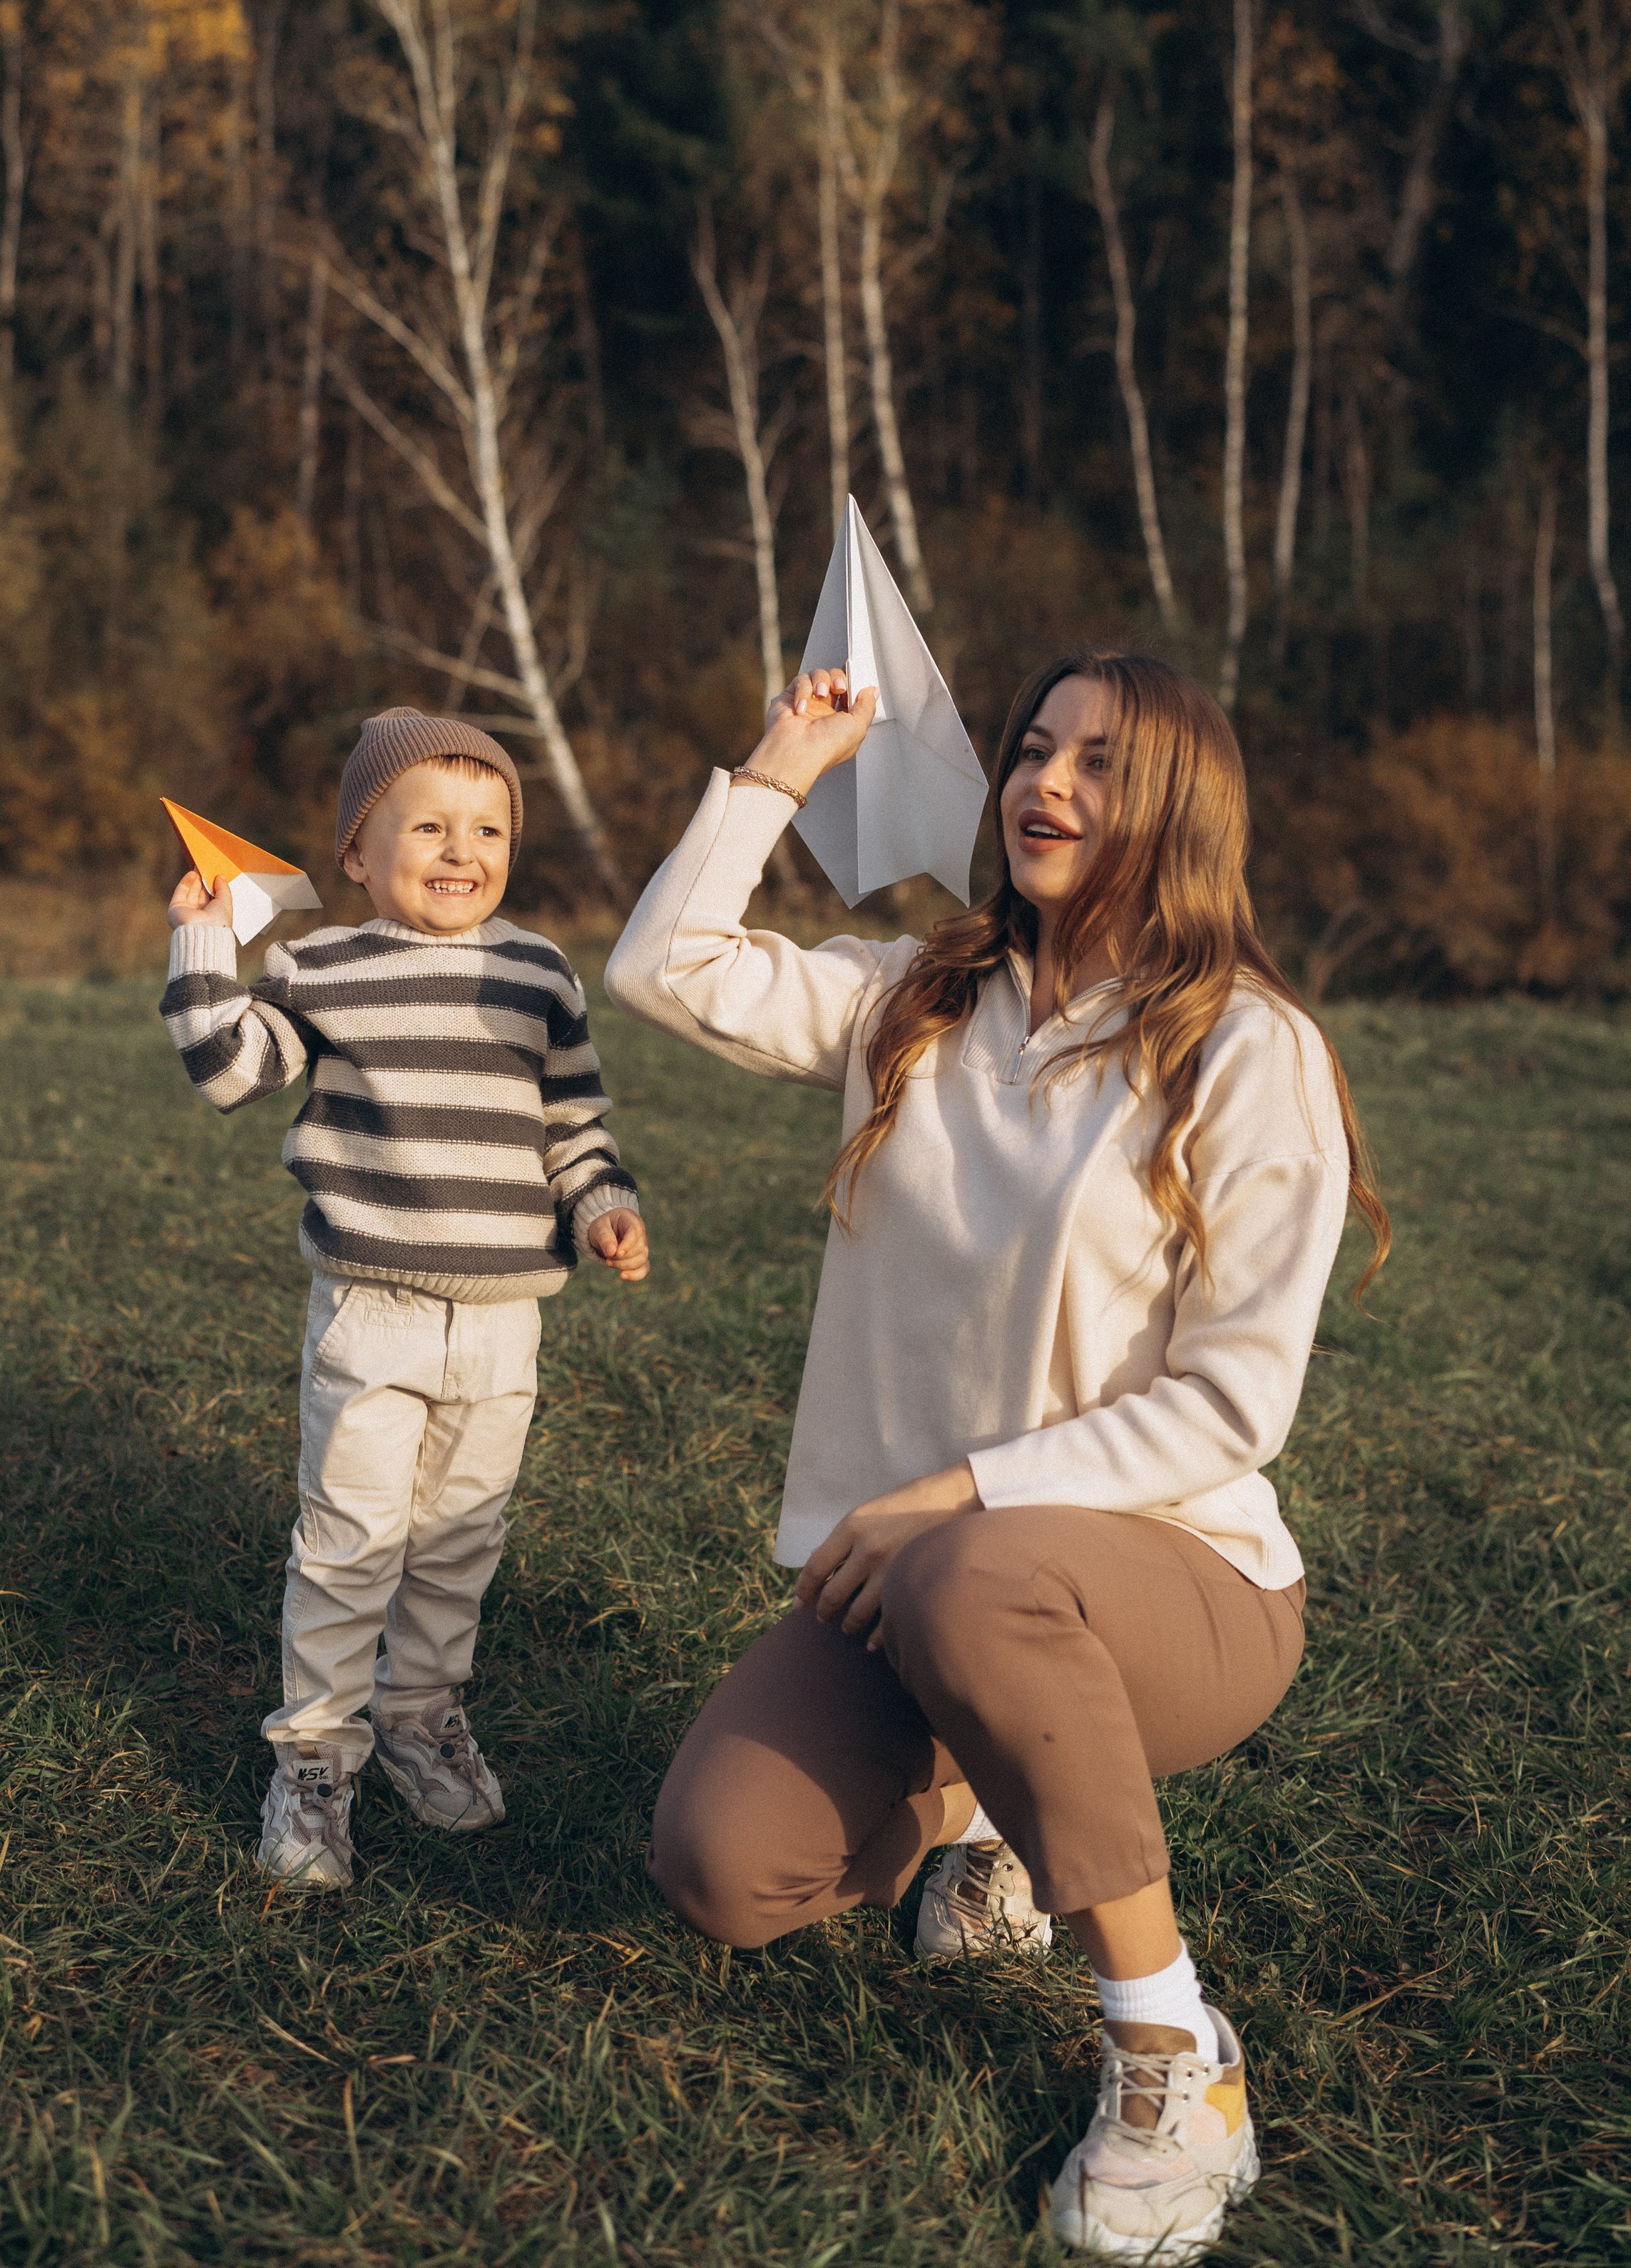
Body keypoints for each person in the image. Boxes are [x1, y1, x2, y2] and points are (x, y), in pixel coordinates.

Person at [604, 651, 1385, 2266]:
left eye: (1098, 765)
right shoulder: (916, 994)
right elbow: (661, 966)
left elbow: (1233, 1404)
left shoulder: (1247, 1050)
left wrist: (951, 1494)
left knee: (979, 1568)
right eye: (1032, 750)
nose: (1047, 783)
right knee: (721, 1867)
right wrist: (781, 763)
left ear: (1176, 810)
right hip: (931, 1589)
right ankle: (983, 1806)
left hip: (1177, 1592)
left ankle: (1174, 2058)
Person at [162, 710, 648, 1891]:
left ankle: (422, 1712)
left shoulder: (539, 972)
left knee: (459, 1539)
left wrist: (601, 1208)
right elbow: (230, 1070)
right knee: (349, 1542)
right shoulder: (317, 965)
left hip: (502, 1322)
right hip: (370, 1307)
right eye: (426, 823)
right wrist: (199, 947)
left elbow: (571, 1128)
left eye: (488, 828)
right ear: (357, 853)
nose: (459, 848)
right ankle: (316, 1758)